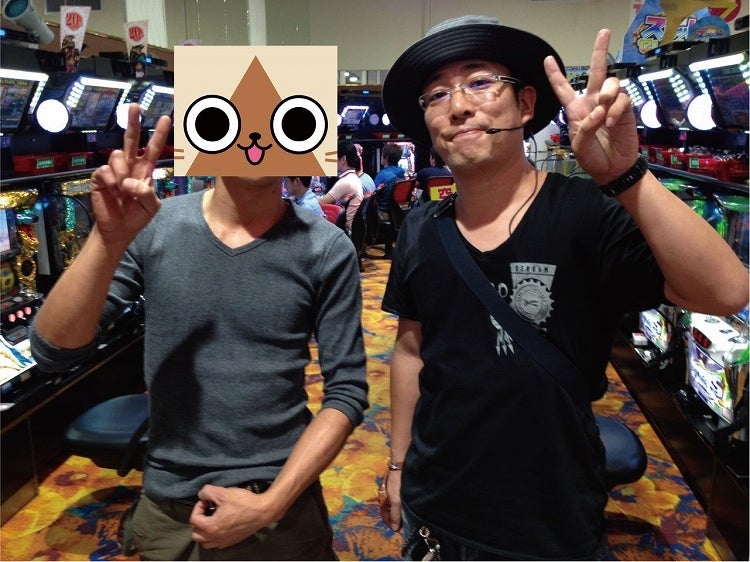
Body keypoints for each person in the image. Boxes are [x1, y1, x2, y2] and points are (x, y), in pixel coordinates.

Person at [378, 15, 748, 561]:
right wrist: (398, 464)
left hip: (551, 516)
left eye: (480, 82)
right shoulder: (420, 228)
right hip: (436, 505)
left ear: (526, 104)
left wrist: (626, 176)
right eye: (437, 94)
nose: (458, 106)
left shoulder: (584, 214)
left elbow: (724, 292)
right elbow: (411, 351)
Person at [30, 104, 369, 560]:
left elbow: (346, 390)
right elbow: (52, 350)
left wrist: (271, 504)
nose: (257, 136)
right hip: (169, 501)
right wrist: (106, 240)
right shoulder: (153, 224)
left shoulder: (327, 248)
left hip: (280, 499)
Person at [319, 141, 364, 233]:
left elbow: (319, 202)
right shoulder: (354, 178)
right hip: (353, 230)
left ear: (343, 159)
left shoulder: (345, 182)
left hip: (347, 232)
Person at [372, 143, 406, 219]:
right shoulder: (402, 174)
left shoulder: (382, 175)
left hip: (383, 214)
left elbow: (372, 196)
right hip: (399, 215)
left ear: (386, 158)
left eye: (382, 155)